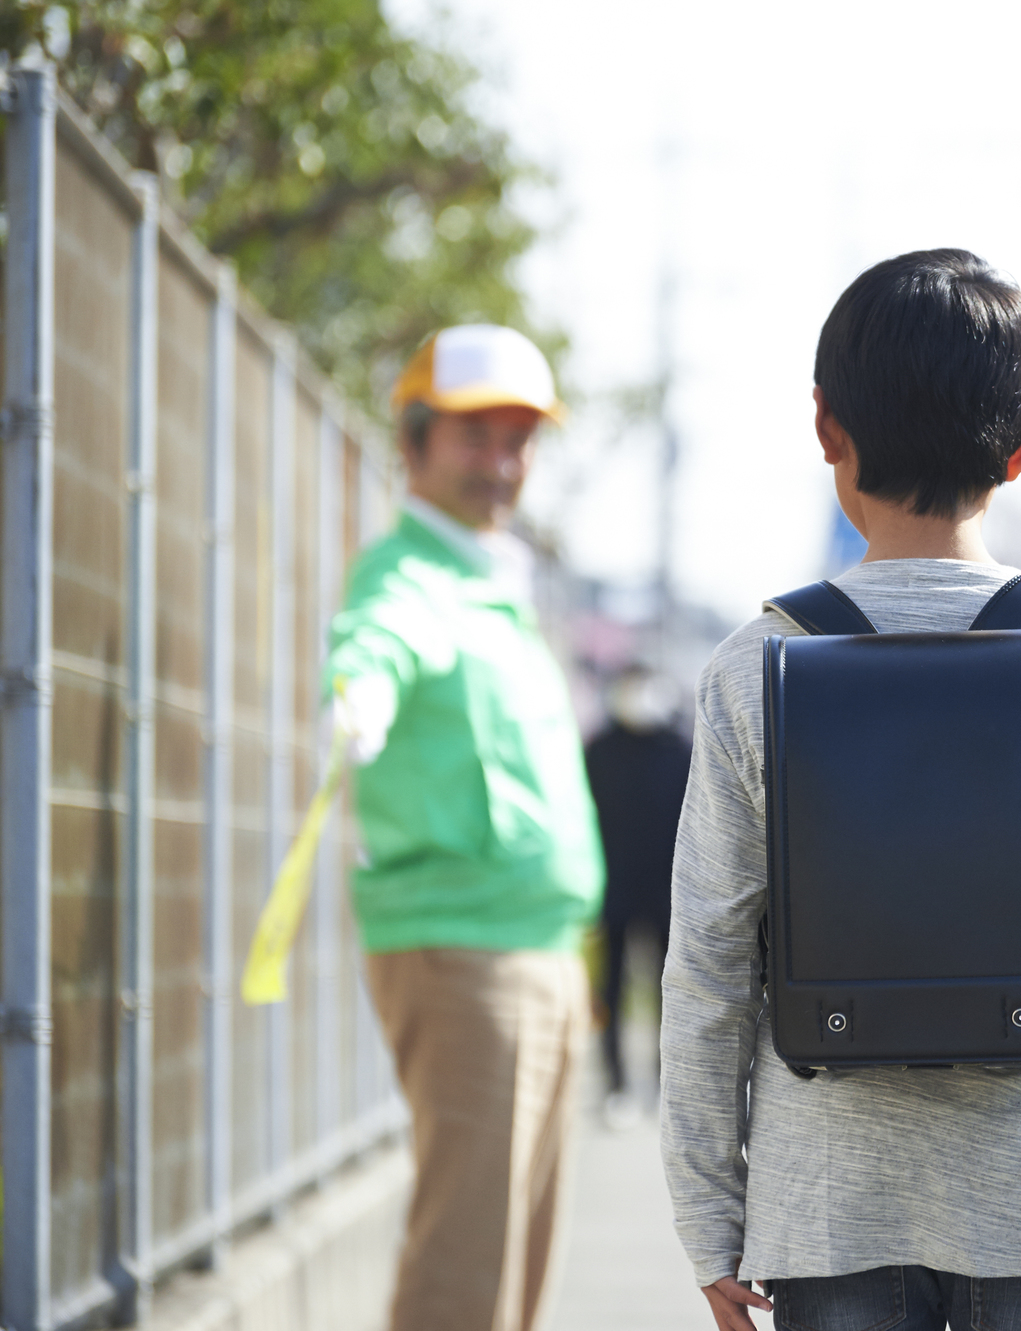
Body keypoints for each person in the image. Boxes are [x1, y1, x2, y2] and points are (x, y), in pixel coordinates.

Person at [660, 249, 1021, 1331]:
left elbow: (709, 963)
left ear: (826, 426)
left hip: (829, 1196)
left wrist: (708, 1212)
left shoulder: (753, 663)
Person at [326, 324, 604, 1331]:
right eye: (473, 436)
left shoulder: (494, 577)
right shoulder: (406, 574)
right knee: (465, 1264)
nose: (500, 462)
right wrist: (356, 694)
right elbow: (374, 641)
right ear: (412, 440)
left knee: (518, 1262)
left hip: (534, 949)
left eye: (518, 439)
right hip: (462, 951)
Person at [584, 664, 691, 1123]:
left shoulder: (680, 750)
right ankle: (615, 1083)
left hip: (671, 894)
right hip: (613, 889)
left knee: (673, 990)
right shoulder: (598, 751)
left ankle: (668, 1082)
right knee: (611, 986)